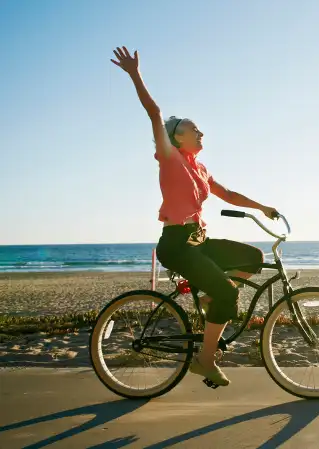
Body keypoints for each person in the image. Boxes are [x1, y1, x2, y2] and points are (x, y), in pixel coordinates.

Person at [110, 46, 278, 386]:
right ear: (177, 137)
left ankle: (206, 295)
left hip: (198, 242)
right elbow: (154, 112)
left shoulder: (199, 168)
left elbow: (227, 194)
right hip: (177, 244)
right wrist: (134, 74)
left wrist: (262, 207)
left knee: (254, 257)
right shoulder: (169, 157)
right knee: (229, 294)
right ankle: (204, 360)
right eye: (194, 128)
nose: (201, 132)